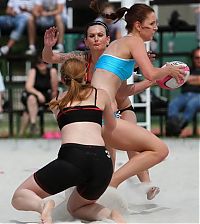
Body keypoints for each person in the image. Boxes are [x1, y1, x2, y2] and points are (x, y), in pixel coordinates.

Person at [42, 23, 160, 200]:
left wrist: (148, 75)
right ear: (86, 41)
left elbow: (124, 92)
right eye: (92, 35)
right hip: (99, 110)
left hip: (121, 105)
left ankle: (146, 184)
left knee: (133, 144)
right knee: (107, 151)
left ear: (108, 39)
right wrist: (48, 46)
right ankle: (105, 187)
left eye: (100, 35)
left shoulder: (116, 57)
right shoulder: (80, 58)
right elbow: (50, 58)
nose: (96, 38)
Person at [11, 57, 125, 224]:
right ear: (86, 74)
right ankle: (109, 215)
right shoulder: (101, 95)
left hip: (74, 158)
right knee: (76, 208)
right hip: (102, 162)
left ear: (63, 78)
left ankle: (43, 205)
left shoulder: (57, 102)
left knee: (19, 196)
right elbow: (111, 127)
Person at [88, 1, 186, 190]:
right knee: (159, 150)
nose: (156, 28)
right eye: (153, 23)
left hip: (96, 112)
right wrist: (168, 70)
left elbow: (123, 91)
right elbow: (150, 72)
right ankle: (113, 185)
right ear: (139, 26)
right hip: (102, 114)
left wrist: (153, 80)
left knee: (134, 147)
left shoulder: (120, 45)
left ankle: (127, 185)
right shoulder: (134, 41)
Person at [19, 55, 58, 136]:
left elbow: (54, 90)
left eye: (44, 62)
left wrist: (52, 103)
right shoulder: (33, 71)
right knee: (31, 99)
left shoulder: (52, 71)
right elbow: (28, 87)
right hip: (32, 96)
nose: (42, 64)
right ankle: (32, 124)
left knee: (27, 111)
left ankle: (21, 134)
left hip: (47, 97)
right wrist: (38, 94)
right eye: (39, 62)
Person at [166, 47, 200, 137]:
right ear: (193, 58)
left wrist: (189, 79)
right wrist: (195, 79)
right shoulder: (188, 68)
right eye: (197, 58)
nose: (199, 60)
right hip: (184, 95)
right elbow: (182, 80)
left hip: (198, 96)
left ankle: (178, 128)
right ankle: (173, 126)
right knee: (173, 104)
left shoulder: (187, 72)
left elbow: (186, 79)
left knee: (192, 104)